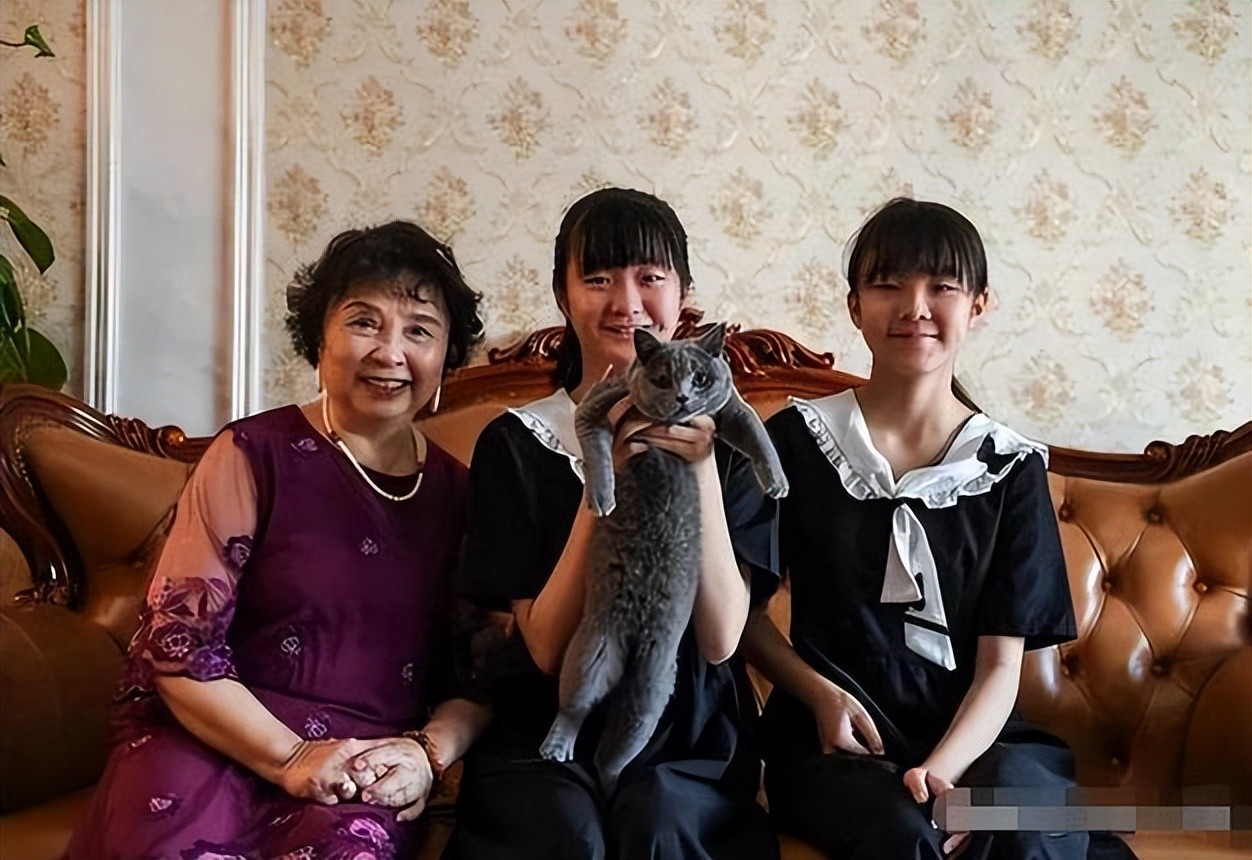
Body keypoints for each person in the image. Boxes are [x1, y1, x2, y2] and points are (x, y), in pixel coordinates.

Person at [67, 221, 491, 860]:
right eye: (364, 322)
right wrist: (290, 756)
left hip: (360, 765)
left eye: (419, 331)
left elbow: (482, 674)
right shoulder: (253, 454)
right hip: (213, 735)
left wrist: (427, 754)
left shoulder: (463, 493)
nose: (390, 352)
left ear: (446, 357)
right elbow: (178, 648)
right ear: (319, 338)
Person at [743, 198, 1135, 859]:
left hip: (978, 734)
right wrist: (817, 695)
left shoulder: (1008, 468)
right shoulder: (795, 441)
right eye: (887, 284)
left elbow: (1000, 666)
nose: (914, 307)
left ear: (979, 305)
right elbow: (743, 617)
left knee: (1021, 828)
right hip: (837, 737)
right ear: (854, 306)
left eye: (942, 287)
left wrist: (943, 771)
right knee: (904, 836)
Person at [444, 187, 780, 860]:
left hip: (688, 727)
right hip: (547, 719)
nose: (627, 302)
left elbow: (720, 641)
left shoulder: (738, 449)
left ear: (682, 294)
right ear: (563, 296)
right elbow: (545, 649)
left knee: (658, 824)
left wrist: (701, 467)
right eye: (598, 279)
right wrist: (603, 479)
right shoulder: (516, 443)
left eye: (650, 278)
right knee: (566, 835)